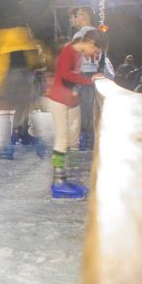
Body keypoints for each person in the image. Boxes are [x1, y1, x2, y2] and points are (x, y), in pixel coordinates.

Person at [46, 30, 106, 198]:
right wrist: (89, 80)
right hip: (58, 99)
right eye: (95, 50)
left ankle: (70, 177)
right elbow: (65, 75)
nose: (94, 54)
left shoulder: (77, 53)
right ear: (90, 43)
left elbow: (72, 77)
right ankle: (58, 181)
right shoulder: (69, 51)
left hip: (69, 100)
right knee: (62, 139)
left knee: (73, 140)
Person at [0, 19, 48, 160]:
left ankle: (8, 147)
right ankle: (38, 142)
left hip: (10, 78)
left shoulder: (0, 43)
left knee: (5, 110)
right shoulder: (28, 41)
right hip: (26, 78)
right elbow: (38, 62)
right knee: (26, 109)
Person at [69, 6, 99, 150]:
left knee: (82, 110)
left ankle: (84, 140)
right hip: (96, 75)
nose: (76, 18)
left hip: (83, 74)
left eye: (78, 15)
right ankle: (92, 139)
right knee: (92, 109)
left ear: (85, 17)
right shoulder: (99, 34)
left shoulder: (79, 35)